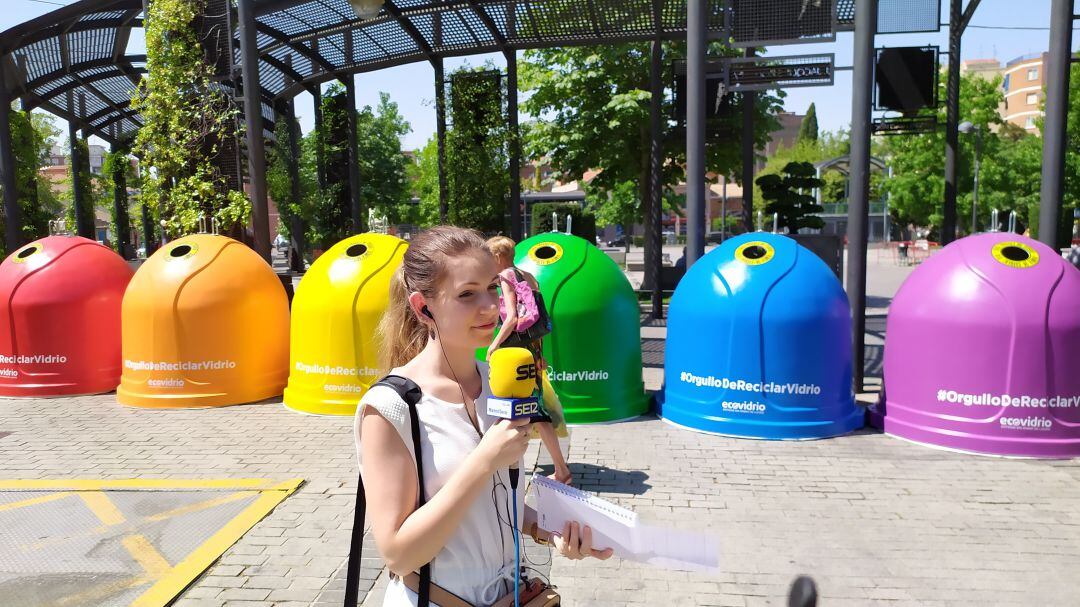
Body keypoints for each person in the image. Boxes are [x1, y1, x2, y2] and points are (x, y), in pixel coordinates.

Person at [355, 226, 611, 607]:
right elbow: (399, 554)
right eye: (467, 294)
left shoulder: (500, 382)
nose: (491, 306)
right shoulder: (392, 406)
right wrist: (483, 461)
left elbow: (495, 502)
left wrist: (549, 530)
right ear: (423, 307)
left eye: (493, 287)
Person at [484, 236, 572, 486]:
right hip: (531, 348)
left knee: (528, 409)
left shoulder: (505, 277)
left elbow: (512, 318)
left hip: (515, 350)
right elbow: (538, 318)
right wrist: (539, 354)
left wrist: (494, 344)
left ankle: (559, 470)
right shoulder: (529, 276)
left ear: (498, 257)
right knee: (533, 408)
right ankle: (552, 467)